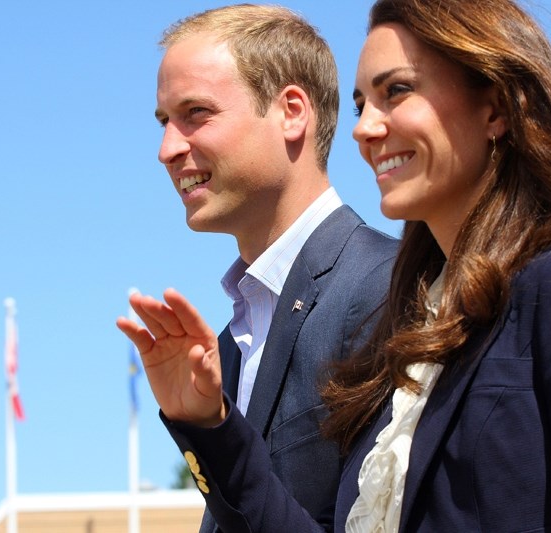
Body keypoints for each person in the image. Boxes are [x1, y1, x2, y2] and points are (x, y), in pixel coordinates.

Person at [120, 0, 551, 531]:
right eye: (363, 105)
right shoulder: (428, 323)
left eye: (397, 91)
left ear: (497, 106)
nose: (365, 128)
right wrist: (210, 429)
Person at [116, 4, 397, 532]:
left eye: (196, 113)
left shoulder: (386, 289)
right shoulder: (228, 346)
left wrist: (216, 434)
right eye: (164, 122)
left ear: (292, 111)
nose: (167, 149)